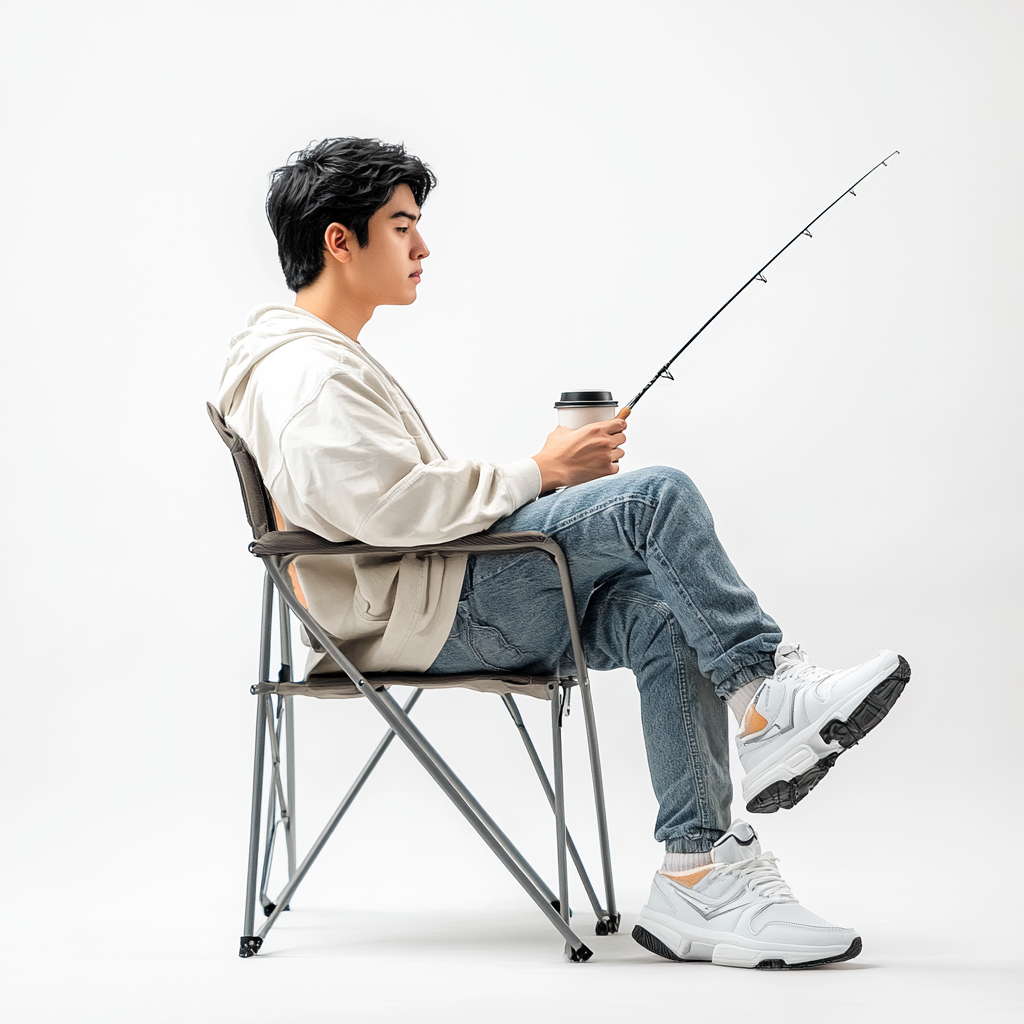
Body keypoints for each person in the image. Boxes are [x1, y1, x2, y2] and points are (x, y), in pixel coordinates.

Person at [216, 136, 910, 969]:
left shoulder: (320, 362)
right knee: (657, 497)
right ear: (340, 239)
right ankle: (765, 696)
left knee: (663, 615)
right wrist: (539, 472)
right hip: (421, 616)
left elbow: (388, 499)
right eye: (402, 226)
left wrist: (544, 481)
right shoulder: (306, 375)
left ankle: (698, 875)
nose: (422, 246)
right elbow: (380, 506)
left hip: (430, 601)